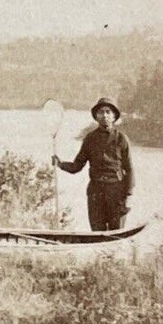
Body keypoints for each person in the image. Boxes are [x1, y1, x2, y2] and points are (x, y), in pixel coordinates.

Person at [54, 95, 134, 231]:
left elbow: (130, 169)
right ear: (96, 116)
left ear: (114, 116)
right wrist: (60, 164)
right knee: (97, 232)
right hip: (95, 192)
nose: (104, 115)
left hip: (116, 192)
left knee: (117, 233)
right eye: (101, 112)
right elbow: (77, 165)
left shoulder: (121, 139)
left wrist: (128, 195)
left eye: (108, 112)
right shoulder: (90, 139)